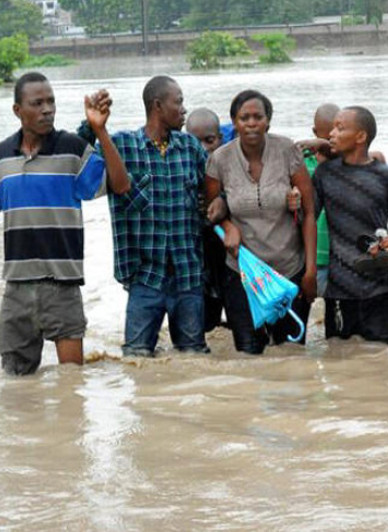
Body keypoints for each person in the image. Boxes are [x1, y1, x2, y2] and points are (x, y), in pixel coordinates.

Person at [0, 72, 130, 374]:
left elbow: (120, 184)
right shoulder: (1, 155)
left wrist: (100, 131)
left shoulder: (72, 149)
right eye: (37, 103)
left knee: (72, 381)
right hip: (16, 286)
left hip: (62, 283)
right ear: (17, 111)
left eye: (51, 101)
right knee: (16, 383)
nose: (47, 109)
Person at [79, 75, 211, 358]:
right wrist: (92, 124)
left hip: (187, 274)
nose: (184, 109)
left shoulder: (190, 148)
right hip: (144, 278)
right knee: (136, 358)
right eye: (179, 102)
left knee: (194, 357)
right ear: (158, 106)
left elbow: (213, 192)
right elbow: (77, 151)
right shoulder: (122, 146)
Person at [206, 90, 317, 355]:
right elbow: (211, 213)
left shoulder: (287, 150)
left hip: (289, 272)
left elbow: (310, 213)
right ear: (234, 122)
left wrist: (311, 271)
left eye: (258, 117)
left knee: (291, 355)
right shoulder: (219, 159)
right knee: (249, 354)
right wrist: (228, 226)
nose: (252, 123)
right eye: (245, 117)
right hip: (243, 275)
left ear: (268, 121)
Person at [313, 106, 388, 346]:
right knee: (339, 362)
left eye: (340, 128)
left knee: (382, 362)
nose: (332, 134)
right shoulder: (324, 174)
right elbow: (307, 219)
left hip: (380, 290)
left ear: (361, 137)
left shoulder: (386, 176)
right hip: (339, 290)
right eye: (332, 128)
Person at [185, 108, 228, 333]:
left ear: (220, 139)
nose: (203, 148)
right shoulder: (181, 170)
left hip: (231, 257)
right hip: (198, 265)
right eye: (195, 141)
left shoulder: (234, 165)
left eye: (209, 140)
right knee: (205, 326)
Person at [291, 103, 339, 298]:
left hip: (339, 256)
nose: (329, 144)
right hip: (312, 255)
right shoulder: (301, 163)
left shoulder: (347, 163)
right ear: (314, 132)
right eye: (324, 139)